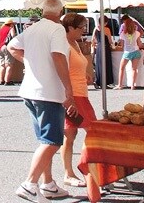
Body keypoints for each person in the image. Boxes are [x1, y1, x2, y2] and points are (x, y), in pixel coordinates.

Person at [8, 0, 75, 201]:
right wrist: (68, 89)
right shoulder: (56, 30)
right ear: (60, 12)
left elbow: (11, 47)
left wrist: (29, 61)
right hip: (48, 92)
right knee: (52, 141)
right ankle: (30, 183)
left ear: (44, 10)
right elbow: (58, 57)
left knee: (45, 141)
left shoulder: (33, 28)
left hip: (31, 91)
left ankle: (48, 184)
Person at [58, 12, 97, 189]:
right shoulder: (64, 44)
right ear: (71, 27)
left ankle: (83, 168)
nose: (84, 31)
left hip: (81, 93)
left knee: (77, 134)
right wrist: (68, 97)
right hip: (73, 96)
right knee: (74, 134)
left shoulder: (74, 43)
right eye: (81, 27)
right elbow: (61, 70)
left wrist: (85, 74)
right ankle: (71, 172)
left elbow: (75, 66)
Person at [115, 15, 144, 89]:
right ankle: (133, 85)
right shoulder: (137, 33)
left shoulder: (123, 34)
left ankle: (120, 84)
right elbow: (139, 43)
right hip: (136, 51)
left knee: (122, 68)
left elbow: (121, 45)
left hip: (127, 52)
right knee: (134, 69)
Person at [91, 20, 115, 89]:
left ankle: (98, 81)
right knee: (106, 65)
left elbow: (93, 40)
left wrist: (95, 45)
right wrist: (113, 45)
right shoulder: (106, 29)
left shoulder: (96, 28)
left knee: (99, 64)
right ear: (105, 22)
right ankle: (105, 82)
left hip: (98, 47)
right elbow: (110, 40)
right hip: (105, 47)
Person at [0, 19, 16, 85]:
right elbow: (13, 36)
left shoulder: (1, 29)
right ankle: (7, 81)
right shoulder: (11, 28)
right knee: (9, 65)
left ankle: (1, 80)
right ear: (11, 24)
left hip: (0, 47)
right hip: (6, 46)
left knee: (2, 65)